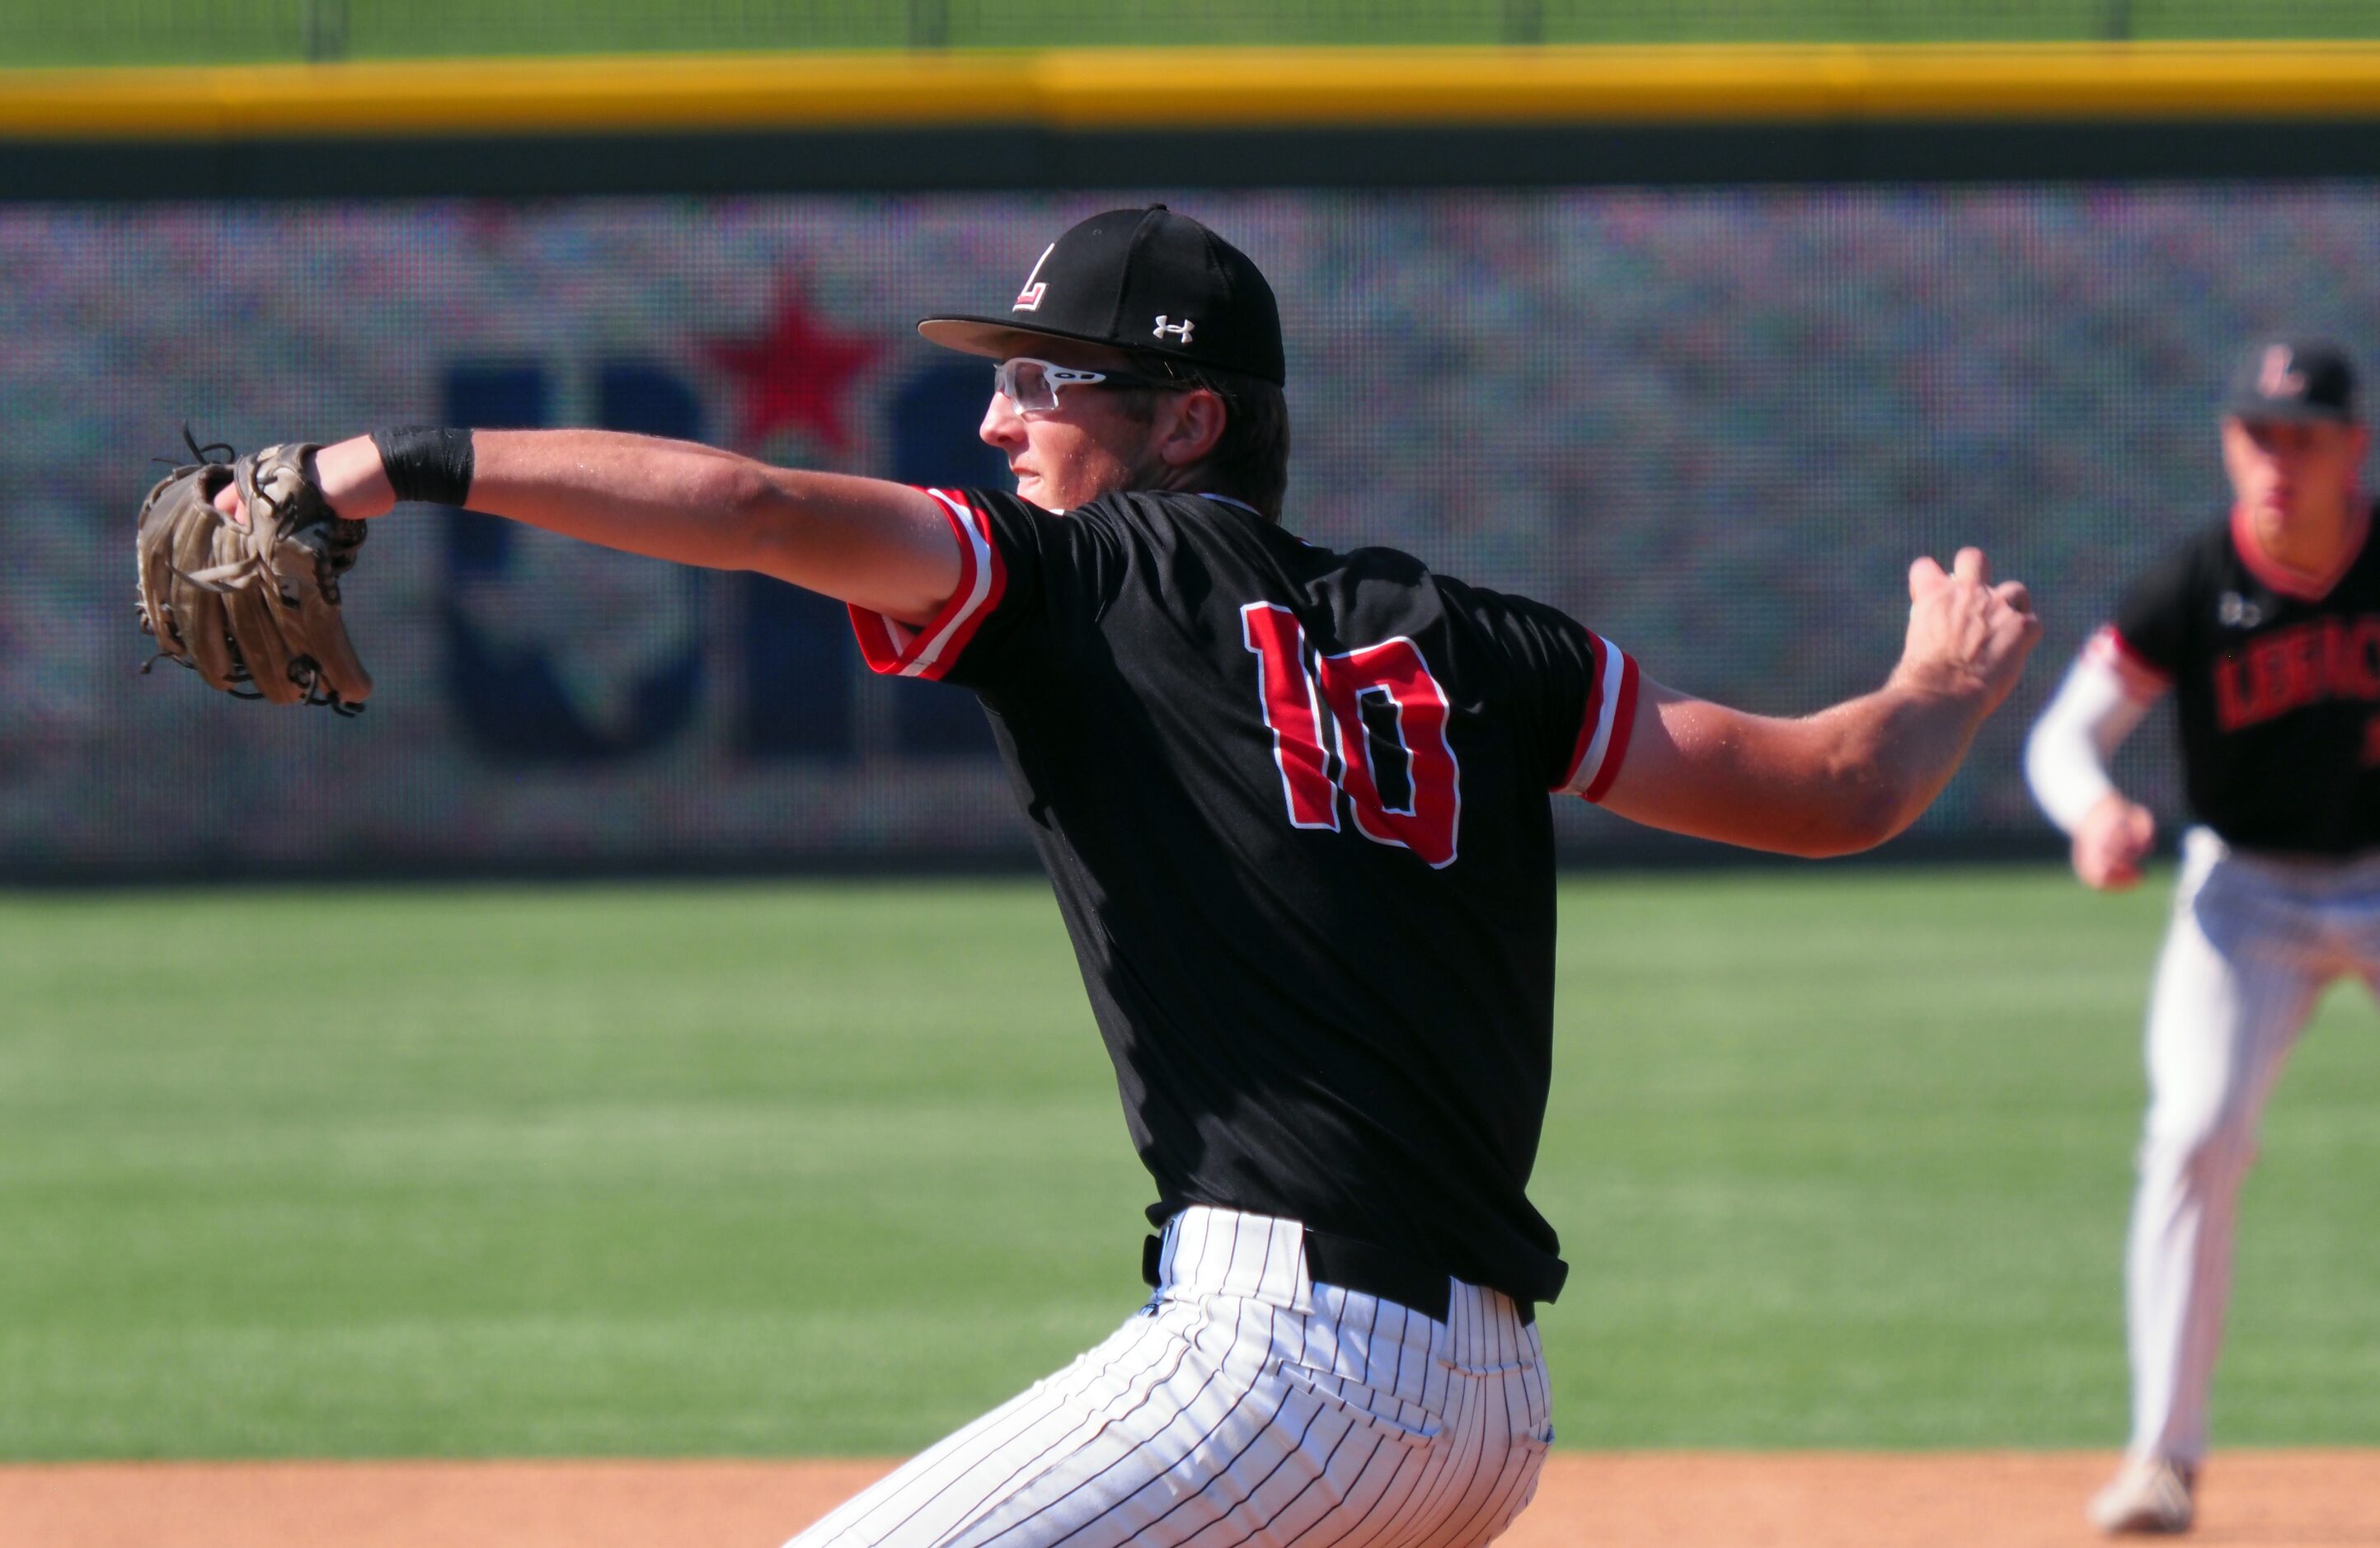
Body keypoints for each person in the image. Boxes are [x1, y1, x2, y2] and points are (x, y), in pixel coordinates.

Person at [228, 206, 2039, 1547]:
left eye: (1043, 382)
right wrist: (1940, 683)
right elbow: (1827, 790)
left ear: (1185, 422)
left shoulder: (1089, 584)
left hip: (1286, 1363)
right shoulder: (1476, 643)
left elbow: (766, 513)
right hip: (1478, 1411)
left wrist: (387, 466)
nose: (999, 422)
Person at [2026, 337, 2379, 1536]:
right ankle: (2163, 1459)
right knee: (2192, 1134)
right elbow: (2064, 737)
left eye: (2306, 436)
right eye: (2259, 435)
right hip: (2245, 893)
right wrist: (2094, 812)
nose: (2280, 459)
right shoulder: (2189, 581)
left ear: (2354, 448)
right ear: (2231, 444)